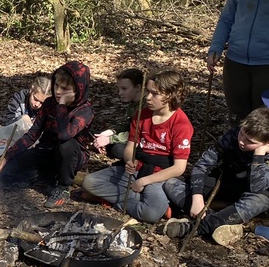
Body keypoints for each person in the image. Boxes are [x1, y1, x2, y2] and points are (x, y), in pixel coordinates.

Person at [162, 107, 269, 246]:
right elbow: (202, 165)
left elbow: (256, 187)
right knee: (172, 183)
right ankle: (220, 221)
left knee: (259, 201)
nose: (242, 141)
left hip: (254, 192)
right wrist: (197, 197)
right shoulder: (233, 135)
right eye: (242, 134)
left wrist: (259, 155)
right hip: (227, 181)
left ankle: (197, 227)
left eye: (250, 142)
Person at [82, 70, 193, 223]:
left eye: (155, 94)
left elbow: (179, 168)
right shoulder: (142, 114)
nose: (147, 97)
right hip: (136, 169)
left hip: (159, 176)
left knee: (150, 214)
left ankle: (122, 200)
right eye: (147, 91)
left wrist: (144, 181)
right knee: (90, 182)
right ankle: (135, 199)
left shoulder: (181, 124)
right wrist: (129, 160)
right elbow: (130, 146)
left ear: (169, 95)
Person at [0, 61, 95, 208]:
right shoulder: (49, 103)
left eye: (64, 88)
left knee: (66, 145)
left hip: (70, 157)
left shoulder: (85, 110)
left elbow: (64, 135)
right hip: (46, 152)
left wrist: (61, 106)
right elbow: (32, 135)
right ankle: (46, 176)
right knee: (7, 174)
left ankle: (63, 187)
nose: (58, 92)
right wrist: (5, 157)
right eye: (56, 85)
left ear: (78, 90)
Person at [93, 68, 145, 161]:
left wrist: (111, 139)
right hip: (134, 140)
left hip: (144, 145)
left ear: (138, 87)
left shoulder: (146, 106)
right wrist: (110, 132)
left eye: (124, 89)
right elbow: (126, 123)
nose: (120, 93)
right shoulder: (134, 104)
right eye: (119, 89)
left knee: (118, 149)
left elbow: (139, 133)